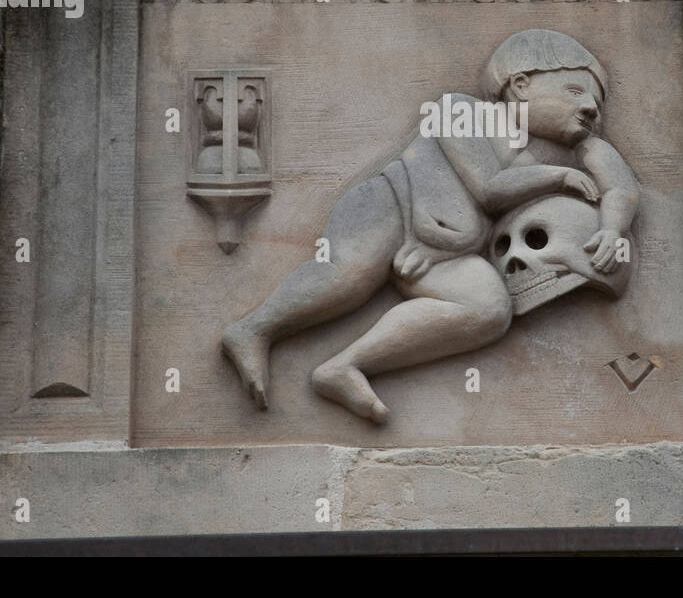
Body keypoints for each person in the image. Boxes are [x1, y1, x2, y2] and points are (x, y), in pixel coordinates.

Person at [221, 29, 639, 422]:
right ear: (522, 85)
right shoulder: (461, 112)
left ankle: (344, 367)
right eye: (574, 90)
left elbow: (620, 188)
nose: (590, 108)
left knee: (488, 309)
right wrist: (559, 176)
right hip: (393, 208)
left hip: (446, 253)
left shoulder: (579, 149)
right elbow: (491, 189)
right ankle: (253, 330)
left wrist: (612, 229)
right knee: (346, 278)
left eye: (598, 103)